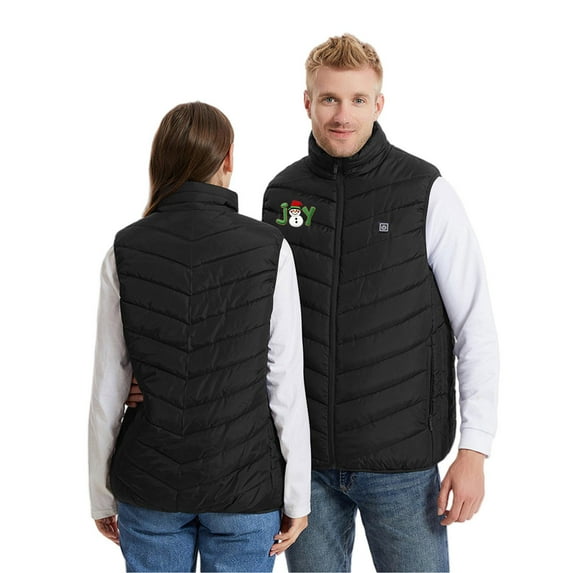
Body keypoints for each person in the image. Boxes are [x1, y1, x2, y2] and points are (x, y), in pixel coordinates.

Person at [127, 35, 499, 572]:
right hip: (305, 469)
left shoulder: (424, 191)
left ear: (379, 103)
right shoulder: (281, 195)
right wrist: (159, 379)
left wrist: (474, 449)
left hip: (401, 466)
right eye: (329, 99)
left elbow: (474, 325)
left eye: (357, 99)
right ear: (307, 102)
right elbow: (245, 325)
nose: (342, 115)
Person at [88, 101, 311, 573]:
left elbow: (108, 388)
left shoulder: (125, 249)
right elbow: (285, 384)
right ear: (228, 158)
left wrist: (100, 494)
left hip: (149, 485)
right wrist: (297, 496)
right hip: (245, 486)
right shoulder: (270, 249)